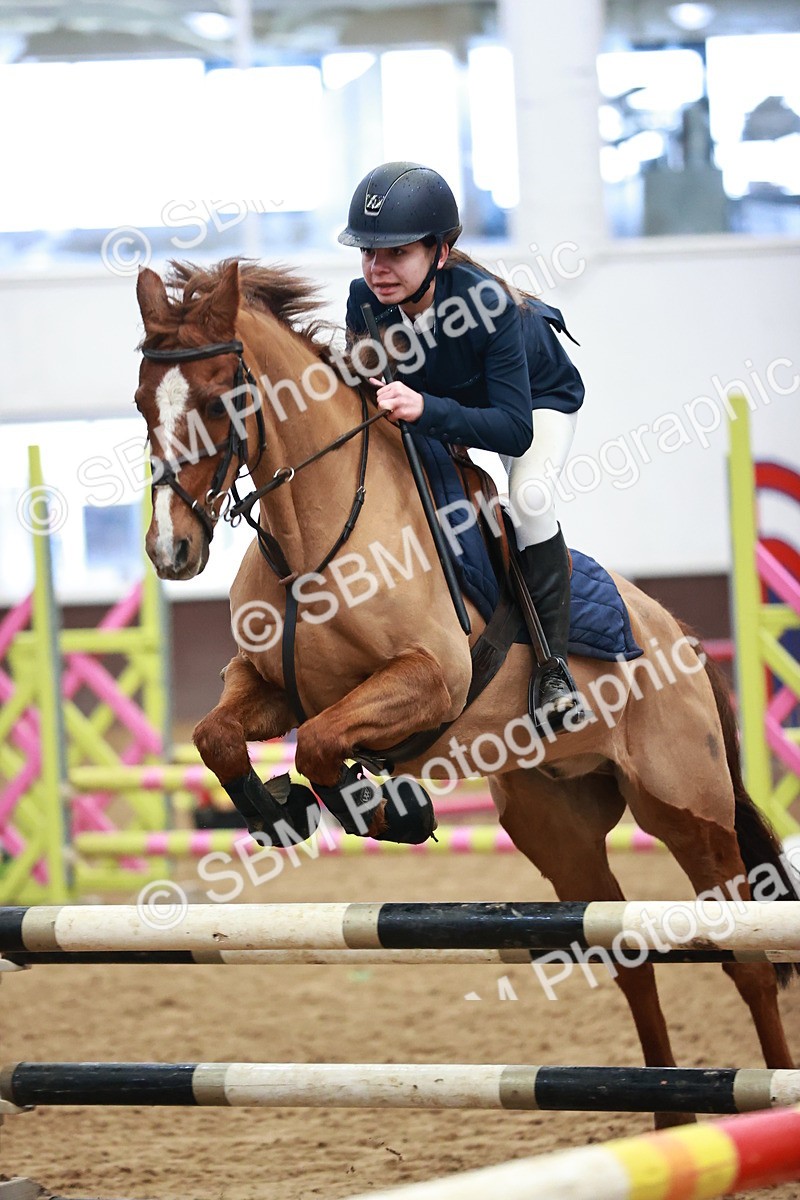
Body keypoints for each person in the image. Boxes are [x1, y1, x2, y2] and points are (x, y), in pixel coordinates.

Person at [339, 160, 585, 729]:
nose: (378, 268)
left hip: (533, 402)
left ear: (439, 254)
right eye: (369, 253)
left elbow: (511, 429)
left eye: (397, 253)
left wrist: (426, 411)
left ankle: (553, 670)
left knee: (528, 499)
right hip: (448, 400)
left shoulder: (489, 308)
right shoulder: (365, 301)